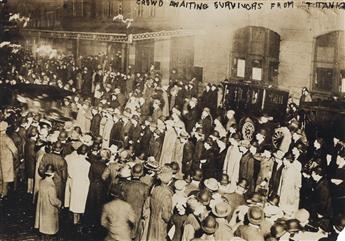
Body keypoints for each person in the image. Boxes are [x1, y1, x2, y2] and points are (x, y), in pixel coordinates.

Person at [64, 144, 91, 225]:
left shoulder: (73, 161)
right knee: (81, 202)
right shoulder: (88, 164)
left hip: (74, 184)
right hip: (83, 186)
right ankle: (79, 221)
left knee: (74, 201)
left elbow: (69, 173)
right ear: (86, 153)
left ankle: (74, 221)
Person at [34, 164, 61, 239]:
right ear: (53, 173)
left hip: (43, 209)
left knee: (43, 229)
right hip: (49, 211)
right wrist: (60, 203)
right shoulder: (51, 186)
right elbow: (53, 201)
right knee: (49, 231)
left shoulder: (42, 182)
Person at [147, 166, 173, 241]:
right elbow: (166, 216)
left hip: (152, 222)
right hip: (161, 225)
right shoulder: (167, 194)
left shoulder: (155, 189)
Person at [0, 121, 18, 199]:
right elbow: (15, 151)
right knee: (5, 178)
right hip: (6, 161)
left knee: (0, 177)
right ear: (6, 128)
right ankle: (3, 194)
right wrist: (17, 158)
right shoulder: (7, 139)